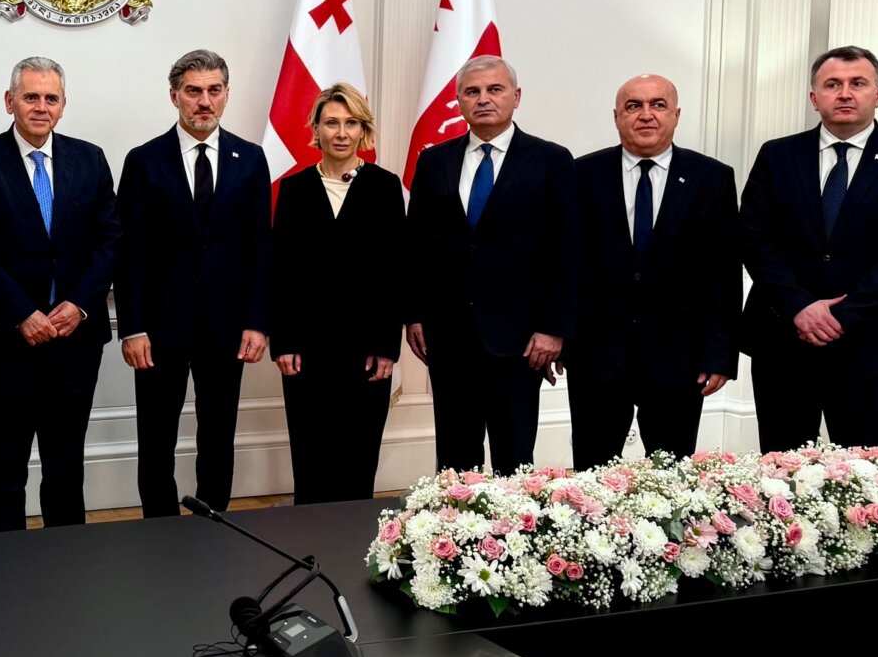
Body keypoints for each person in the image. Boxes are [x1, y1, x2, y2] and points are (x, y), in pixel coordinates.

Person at [741, 46, 878, 450]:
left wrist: (839, 317)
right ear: (814, 98)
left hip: (872, 346)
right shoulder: (777, 155)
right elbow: (755, 239)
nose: (845, 93)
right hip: (783, 342)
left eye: (857, 83)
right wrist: (800, 307)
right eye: (832, 84)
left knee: (866, 477)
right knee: (779, 471)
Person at [0, 56, 120, 532]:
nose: (41, 107)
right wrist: (22, 313)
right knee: (6, 469)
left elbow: (110, 240)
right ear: (10, 102)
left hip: (74, 344)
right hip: (6, 345)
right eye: (30, 97)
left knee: (66, 466)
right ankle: (6, 561)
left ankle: (64, 560)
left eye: (51, 98)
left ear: (63, 105)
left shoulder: (90, 159)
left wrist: (80, 304)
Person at [116, 49, 271, 517]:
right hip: (159, 329)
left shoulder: (251, 159)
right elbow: (128, 252)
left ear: (226, 95)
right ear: (174, 96)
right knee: (156, 436)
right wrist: (132, 327)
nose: (204, 101)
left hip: (227, 327)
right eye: (193, 91)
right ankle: (159, 526)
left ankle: (212, 524)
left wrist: (257, 321)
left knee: (218, 434)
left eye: (213, 90)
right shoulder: (144, 161)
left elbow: (260, 248)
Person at [405, 55, 577, 474]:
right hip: (448, 335)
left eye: (495, 90)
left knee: (514, 459)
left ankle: (511, 521)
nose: (483, 99)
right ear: (459, 101)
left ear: (516, 97)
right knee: (454, 459)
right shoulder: (434, 161)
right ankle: (454, 519)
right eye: (472, 91)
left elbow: (566, 251)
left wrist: (553, 328)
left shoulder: (551, 160)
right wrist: (414, 314)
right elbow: (417, 246)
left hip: (520, 340)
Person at [563, 75, 740, 468]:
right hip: (596, 355)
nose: (646, 115)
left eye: (658, 105)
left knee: (672, 474)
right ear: (616, 116)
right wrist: (560, 335)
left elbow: (724, 273)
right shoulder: (581, 174)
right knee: (592, 473)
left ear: (676, 114)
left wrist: (721, 354)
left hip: (680, 357)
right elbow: (565, 262)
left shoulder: (712, 178)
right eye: (633, 106)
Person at [269, 84, 403, 502]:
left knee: (358, 456)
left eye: (351, 123)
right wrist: (284, 342)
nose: (341, 133)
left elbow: (394, 271)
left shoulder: (385, 186)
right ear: (316, 129)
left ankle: (353, 536)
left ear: (363, 130)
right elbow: (282, 271)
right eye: (331, 123)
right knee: (310, 455)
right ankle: (310, 533)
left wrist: (386, 347)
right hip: (307, 349)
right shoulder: (294, 189)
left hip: (366, 349)